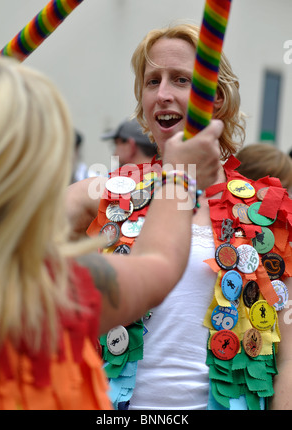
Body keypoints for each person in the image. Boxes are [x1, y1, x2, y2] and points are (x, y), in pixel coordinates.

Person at [69, 22, 292, 411]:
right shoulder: (109, 192)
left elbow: (288, 357)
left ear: (217, 99)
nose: (163, 94)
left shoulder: (269, 211)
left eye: (181, 80)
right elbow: (25, 216)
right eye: (152, 81)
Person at [0, 57, 222, 410]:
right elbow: (157, 265)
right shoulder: (49, 285)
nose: (163, 94)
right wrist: (181, 176)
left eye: (180, 80)